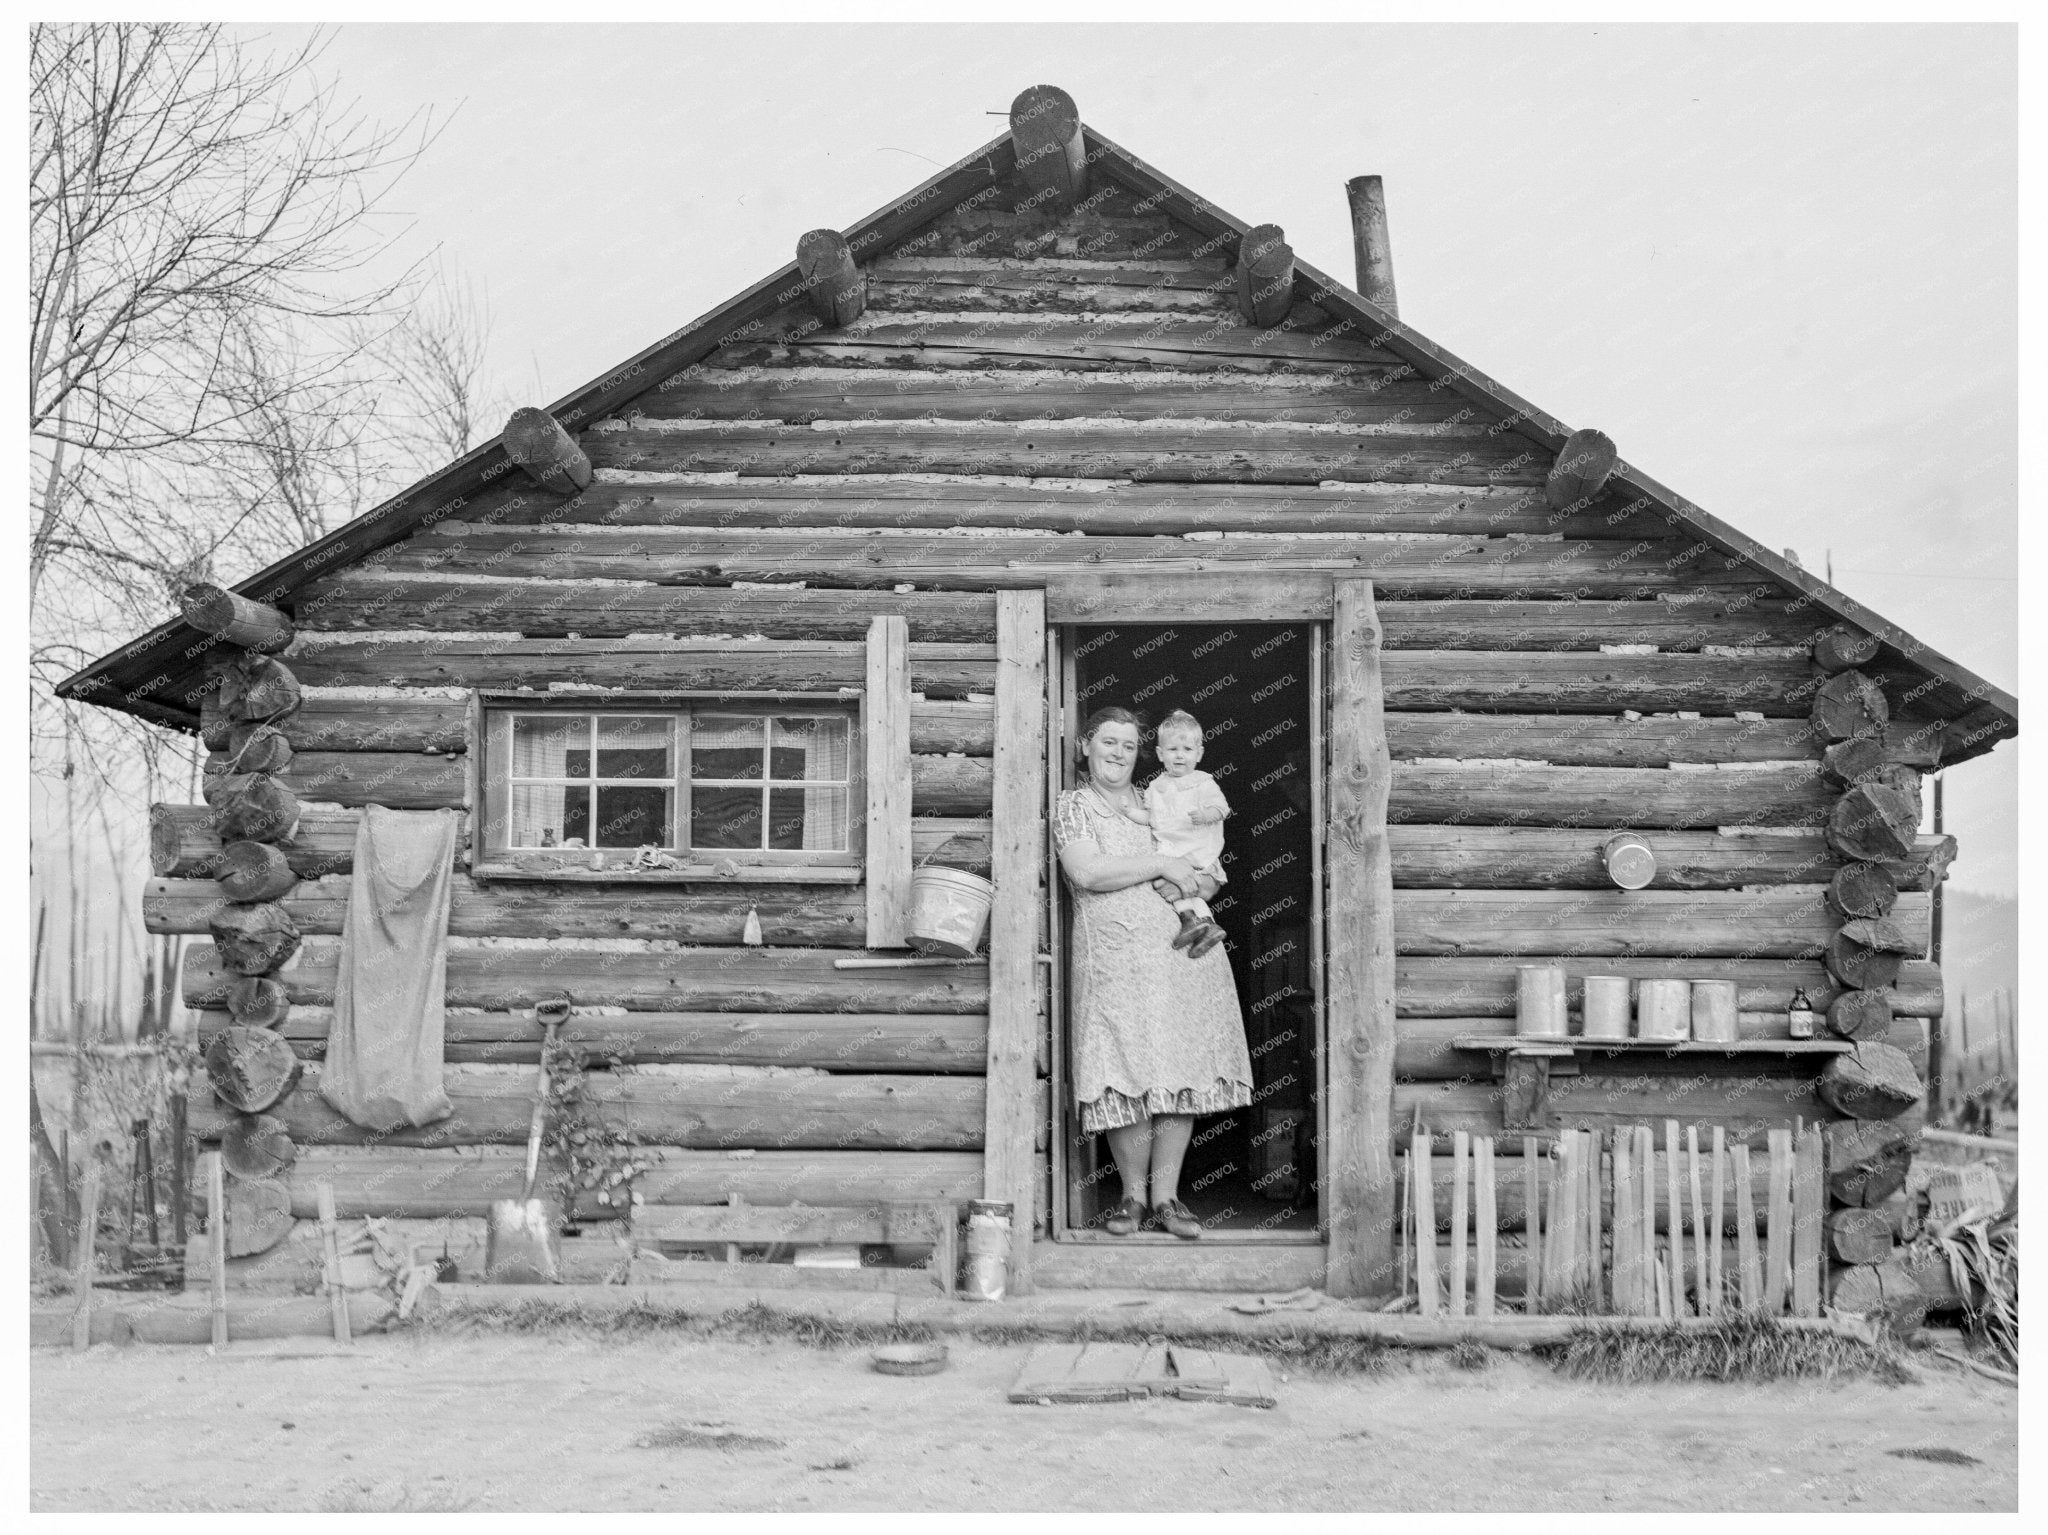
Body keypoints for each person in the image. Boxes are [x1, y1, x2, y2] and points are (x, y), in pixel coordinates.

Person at [1052, 706, 1254, 1240]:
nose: (1118, 753)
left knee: (1177, 1069)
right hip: (1116, 959)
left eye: (1128, 745)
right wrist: (1163, 866)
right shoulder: (1074, 806)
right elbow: (1087, 871)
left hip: (1181, 954)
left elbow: (1205, 857)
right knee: (1124, 1069)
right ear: (1085, 746)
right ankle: (1130, 1197)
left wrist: (1205, 884)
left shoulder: (1158, 796)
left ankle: (1167, 1198)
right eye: (1108, 742)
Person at [1142, 709, 1229, 958]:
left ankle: (1197, 922)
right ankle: (1201, 924)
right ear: (1160, 754)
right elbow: (1149, 816)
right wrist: (1128, 812)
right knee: (1164, 883)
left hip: (1199, 852)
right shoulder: (1156, 787)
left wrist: (1207, 814)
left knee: (1178, 885)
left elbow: (1222, 808)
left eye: (1187, 750)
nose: (1180, 756)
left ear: (1199, 753)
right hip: (1175, 852)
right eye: (1172, 750)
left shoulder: (1202, 782)